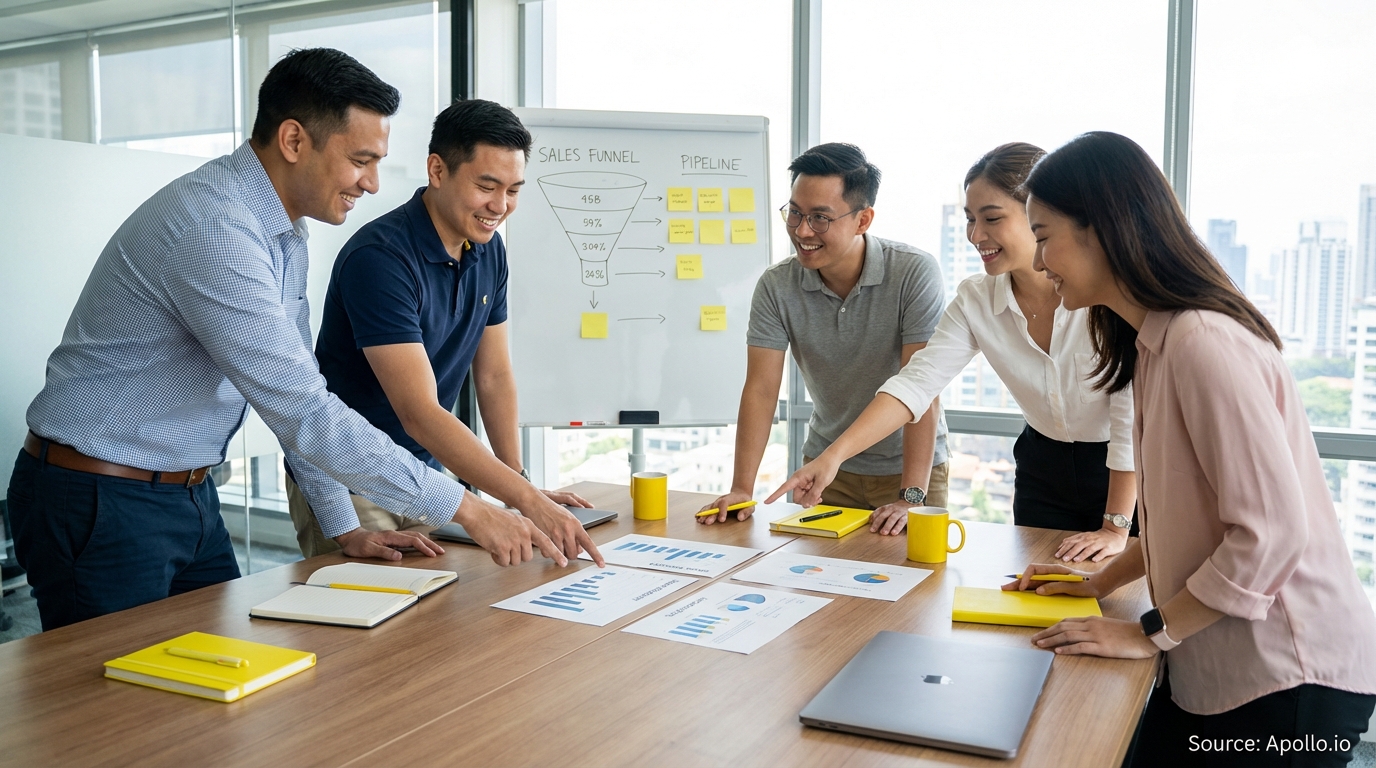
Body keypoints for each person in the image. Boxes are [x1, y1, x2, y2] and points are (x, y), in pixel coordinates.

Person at [7, 49, 564, 632]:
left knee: (214, 692)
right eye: (361, 161)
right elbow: (302, 409)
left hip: (187, 494)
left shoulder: (281, 231)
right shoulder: (216, 227)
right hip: (99, 496)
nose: (372, 184)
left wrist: (344, 526)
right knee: (117, 714)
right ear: (294, 140)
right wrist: (470, 509)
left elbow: (300, 389)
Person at [1005, 131, 1376, 767]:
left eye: (1044, 236)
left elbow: (1270, 533)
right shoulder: (1157, 344)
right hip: (1221, 672)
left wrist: (1148, 631)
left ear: (1103, 230)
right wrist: (1099, 580)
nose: (1039, 262)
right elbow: (1193, 523)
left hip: (1288, 678)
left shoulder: (1203, 342)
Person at [767, 143, 1137, 562]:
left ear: (1039, 216)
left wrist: (1115, 525)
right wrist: (832, 457)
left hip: (1129, 473)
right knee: (1040, 593)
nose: (976, 235)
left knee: (1125, 603)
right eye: (969, 219)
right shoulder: (976, 300)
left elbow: (1130, 415)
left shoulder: (1106, 294)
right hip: (1043, 465)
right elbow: (916, 383)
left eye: (992, 219)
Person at [288, 99, 603, 566]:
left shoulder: (488, 250)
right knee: (379, 626)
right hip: (352, 479)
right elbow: (419, 412)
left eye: (513, 189)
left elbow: (493, 376)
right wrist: (531, 502)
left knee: (447, 615)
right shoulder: (380, 259)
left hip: (426, 472)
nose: (500, 206)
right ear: (437, 170)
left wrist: (519, 486)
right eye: (486, 186)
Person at [699, 142, 949, 532]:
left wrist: (910, 496)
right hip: (826, 471)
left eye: (820, 218)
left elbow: (922, 390)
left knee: (910, 589)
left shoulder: (914, 273)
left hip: (909, 472)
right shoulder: (777, 285)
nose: (801, 231)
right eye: (795, 213)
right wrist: (740, 488)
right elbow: (762, 390)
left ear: (863, 220)